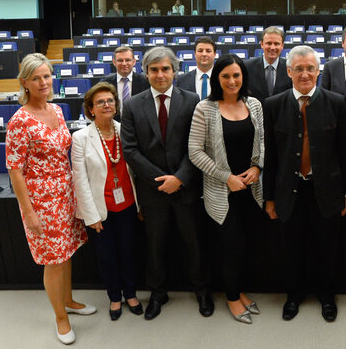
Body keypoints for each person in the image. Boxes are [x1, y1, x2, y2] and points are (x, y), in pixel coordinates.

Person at [6, 53, 94, 345]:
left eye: (47, 76)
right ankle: (60, 316)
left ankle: (68, 300)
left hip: (66, 193)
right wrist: (29, 213)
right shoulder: (19, 120)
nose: (43, 82)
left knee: (66, 252)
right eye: (36, 78)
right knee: (53, 261)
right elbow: (15, 170)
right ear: (24, 83)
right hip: (40, 200)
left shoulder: (57, 109)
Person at [120, 46, 212, 320]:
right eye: (154, 70)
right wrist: (160, 180)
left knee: (194, 244)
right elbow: (131, 149)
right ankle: (158, 293)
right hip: (153, 191)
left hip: (186, 187)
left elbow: (198, 143)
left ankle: (202, 290)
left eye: (165, 69)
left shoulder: (192, 99)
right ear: (145, 72)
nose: (160, 75)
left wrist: (180, 177)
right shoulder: (133, 104)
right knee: (155, 246)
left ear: (174, 71)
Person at [263, 45, 346, 323]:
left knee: (326, 247)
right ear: (288, 71)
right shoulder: (273, 104)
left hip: (325, 189)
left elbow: (343, 151)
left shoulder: (336, 102)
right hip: (289, 190)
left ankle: (326, 296)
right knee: (292, 248)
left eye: (310, 68)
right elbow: (271, 156)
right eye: (298, 68)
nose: (304, 74)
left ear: (318, 71)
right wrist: (269, 198)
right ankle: (294, 295)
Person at [188, 54, 264, 324]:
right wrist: (226, 177)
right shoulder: (205, 108)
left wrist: (258, 168)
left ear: (243, 77)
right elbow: (195, 152)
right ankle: (232, 298)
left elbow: (262, 142)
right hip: (222, 193)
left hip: (251, 190)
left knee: (244, 246)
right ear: (216, 79)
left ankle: (239, 291)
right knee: (230, 247)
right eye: (225, 76)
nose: (232, 81)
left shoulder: (253, 104)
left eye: (236, 75)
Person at [71, 82, 142, 321]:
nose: (106, 105)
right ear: (90, 109)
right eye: (100, 102)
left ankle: (130, 293)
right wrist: (90, 216)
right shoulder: (80, 138)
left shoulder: (126, 131)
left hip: (128, 204)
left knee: (129, 252)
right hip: (101, 210)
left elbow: (135, 173)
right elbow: (80, 180)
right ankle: (114, 296)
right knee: (107, 256)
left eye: (110, 100)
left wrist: (140, 206)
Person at [243, 26, 292, 102]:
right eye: (269, 43)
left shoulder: (290, 67)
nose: (272, 47)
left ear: (282, 46)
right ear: (262, 44)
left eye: (276, 44)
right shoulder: (247, 67)